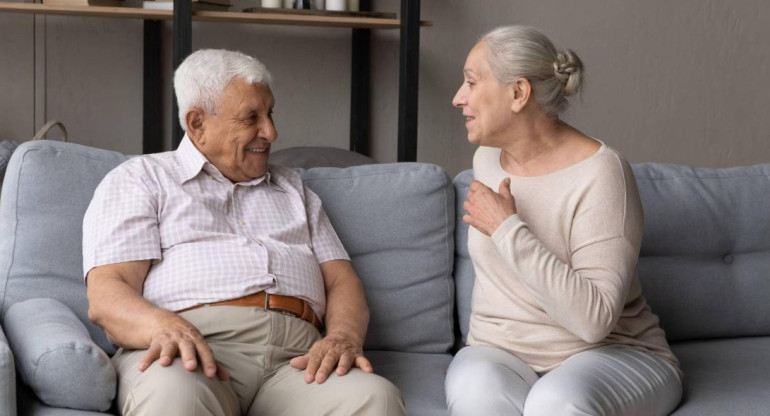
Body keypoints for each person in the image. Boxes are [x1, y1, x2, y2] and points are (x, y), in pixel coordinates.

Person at [83, 49, 405, 416]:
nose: (270, 132)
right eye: (251, 117)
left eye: (270, 114)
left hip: (297, 362)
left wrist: (342, 337)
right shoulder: (142, 179)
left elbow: (341, 281)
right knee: (175, 393)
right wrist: (164, 326)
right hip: (193, 350)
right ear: (197, 123)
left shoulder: (294, 189)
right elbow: (107, 292)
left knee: (374, 398)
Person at [445, 26, 683, 416]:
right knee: (475, 398)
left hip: (611, 353)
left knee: (554, 405)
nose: (458, 98)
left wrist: (507, 229)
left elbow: (594, 322)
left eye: (471, 82)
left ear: (519, 93)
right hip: (499, 352)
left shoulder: (601, 173)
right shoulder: (486, 159)